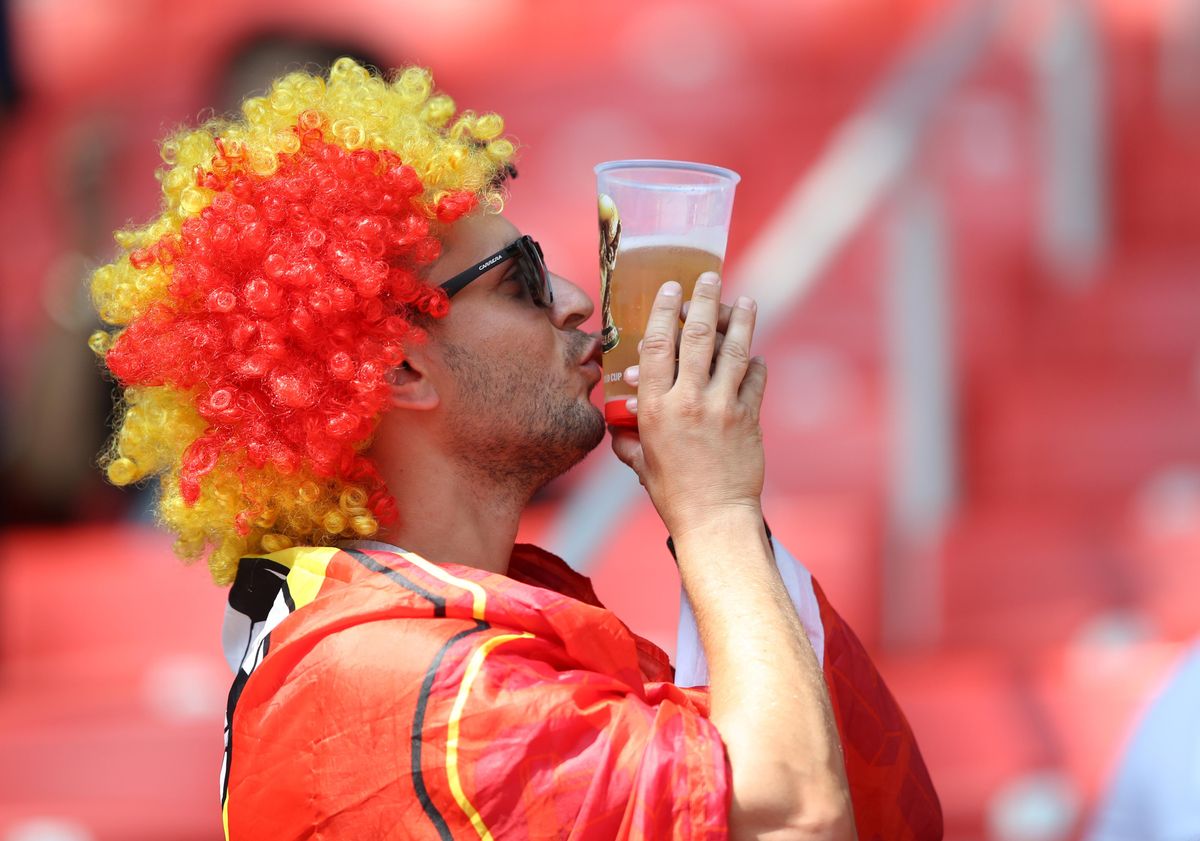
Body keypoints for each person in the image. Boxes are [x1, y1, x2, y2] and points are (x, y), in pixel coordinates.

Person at [89, 59, 941, 840]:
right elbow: (797, 812)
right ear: (401, 366)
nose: (577, 300)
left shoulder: (451, 626)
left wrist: (717, 509)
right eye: (522, 280)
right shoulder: (426, 693)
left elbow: (871, 803)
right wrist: (714, 508)